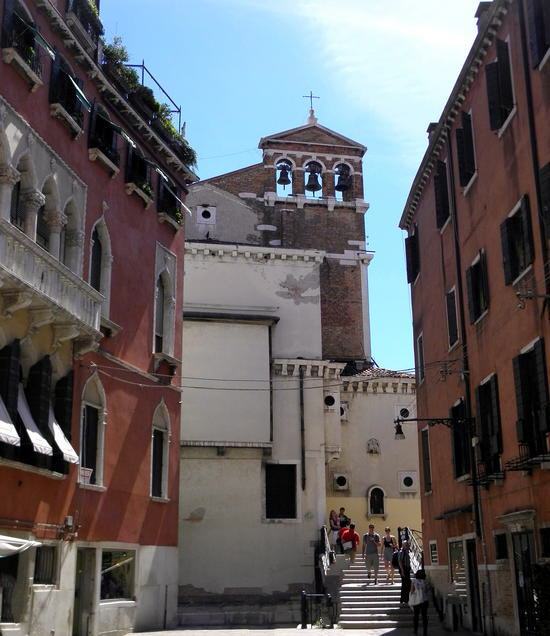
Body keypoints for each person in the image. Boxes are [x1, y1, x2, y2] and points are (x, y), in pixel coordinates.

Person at [410, 569, 430, 636]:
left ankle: (415, 630)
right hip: (424, 601)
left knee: (416, 616)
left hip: (417, 601)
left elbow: (412, 591)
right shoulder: (425, 582)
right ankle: (425, 632)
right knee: (424, 617)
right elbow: (427, 591)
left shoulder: (414, 581)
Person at [398, 540, 412, 605]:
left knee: (407, 584)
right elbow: (400, 562)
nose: (407, 545)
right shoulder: (401, 552)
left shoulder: (407, 551)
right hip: (403, 569)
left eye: (407, 544)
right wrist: (402, 571)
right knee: (405, 584)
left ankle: (406, 599)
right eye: (406, 544)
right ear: (403, 545)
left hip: (407, 569)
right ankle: (403, 599)